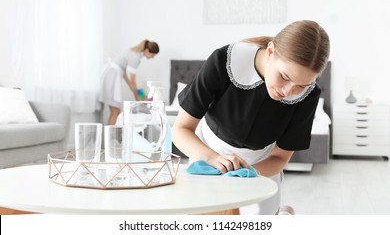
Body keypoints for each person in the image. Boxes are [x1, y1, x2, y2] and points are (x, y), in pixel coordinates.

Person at [172, 20, 330, 214]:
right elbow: (180, 130)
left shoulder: (309, 95)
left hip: (262, 168)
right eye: (285, 77)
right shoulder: (224, 60)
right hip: (208, 152)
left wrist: (248, 173)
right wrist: (212, 158)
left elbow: (280, 158)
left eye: (301, 85)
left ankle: (284, 213)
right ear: (271, 51)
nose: (288, 91)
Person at [99, 39, 159, 125]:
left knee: (114, 111)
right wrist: (137, 100)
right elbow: (133, 82)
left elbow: (124, 73)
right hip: (111, 77)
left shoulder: (133, 51)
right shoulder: (136, 58)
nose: (152, 57)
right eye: (152, 55)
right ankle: (110, 138)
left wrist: (131, 86)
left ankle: (110, 137)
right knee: (115, 112)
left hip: (109, 74)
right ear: (147, 50)